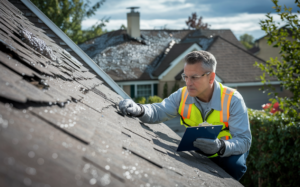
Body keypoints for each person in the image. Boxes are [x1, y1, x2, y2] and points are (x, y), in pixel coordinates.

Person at [119, 51, 251, 181]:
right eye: (185, 77)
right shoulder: (183, 94)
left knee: (236, 166)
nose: (188, 83)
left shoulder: (233, 100)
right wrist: (139, 109)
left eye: (194, 77)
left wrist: (220, 146)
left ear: (211, 77)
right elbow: (159, 110)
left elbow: (244, 140)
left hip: (226, 150)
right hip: (198, 147)